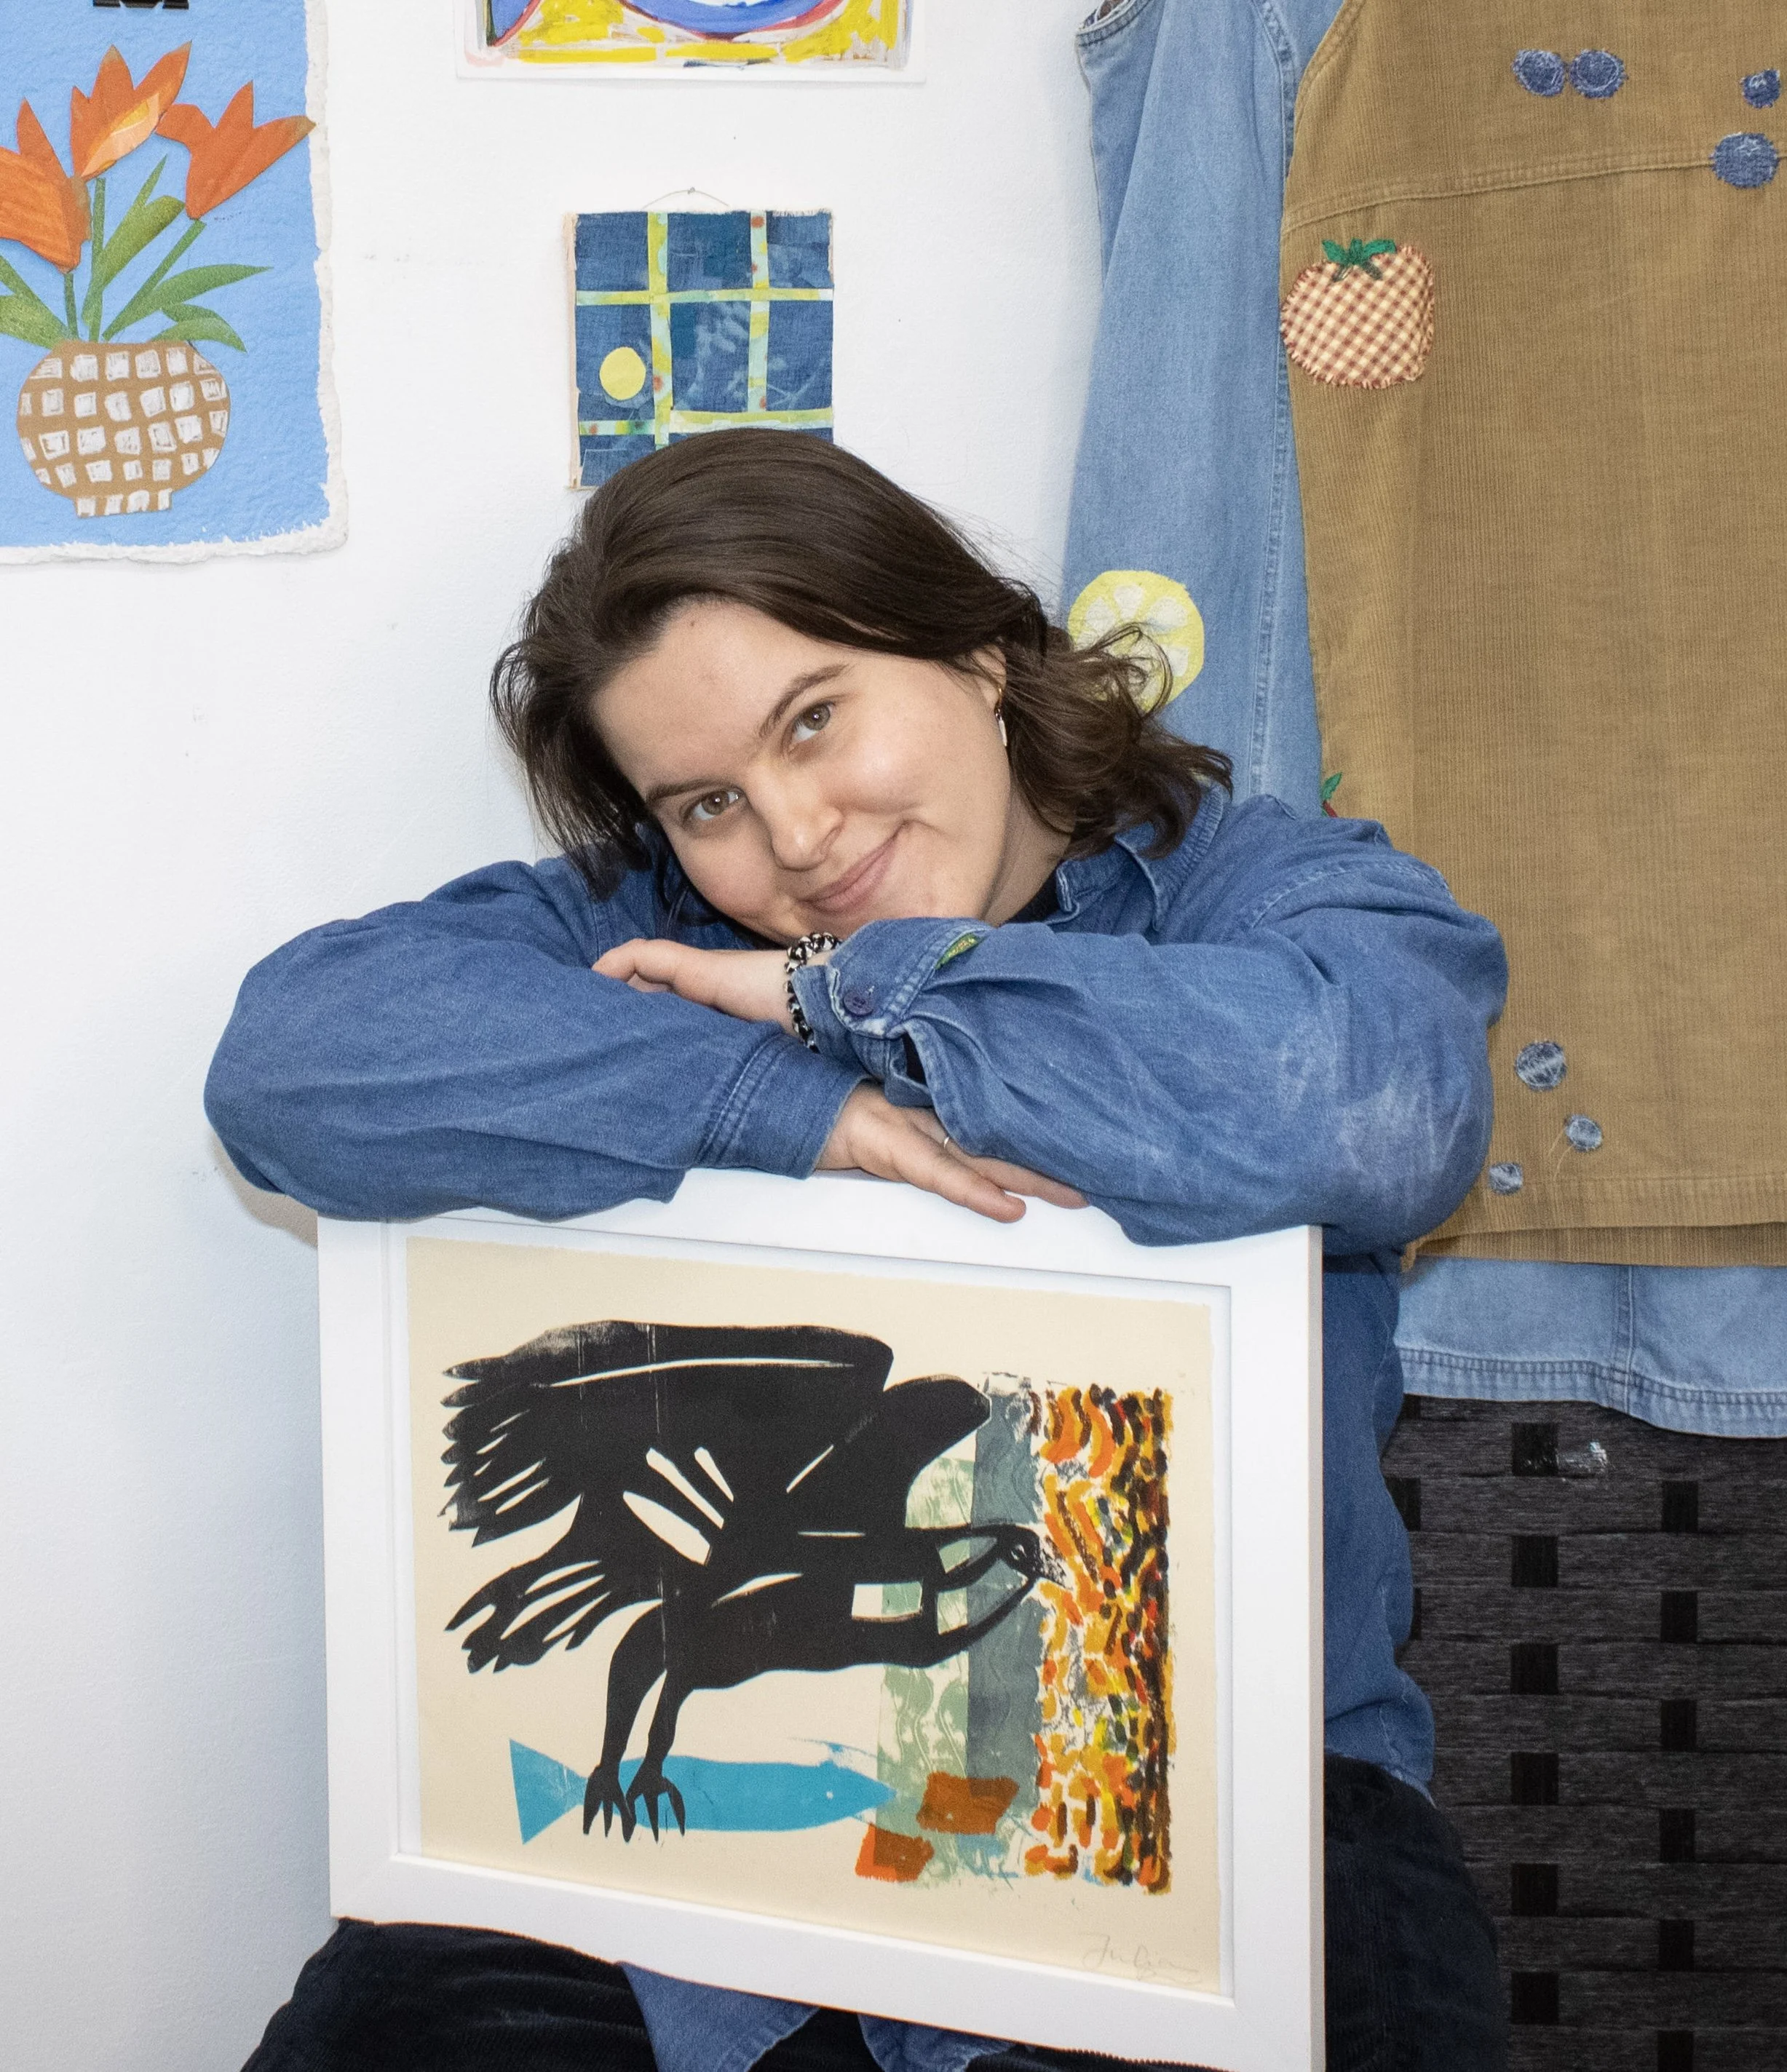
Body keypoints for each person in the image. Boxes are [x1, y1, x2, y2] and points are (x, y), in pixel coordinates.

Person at [208, 429, 1511, 2072]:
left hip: (1230, 1821)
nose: (799, 838)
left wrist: (852, 997)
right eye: (710, 802)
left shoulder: (1265, 892)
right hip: (659, 1887)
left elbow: (1374, 1109)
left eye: (814, 718)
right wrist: (774, 1098)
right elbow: (289, 1067)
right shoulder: (648, 933)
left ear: (977, 653)